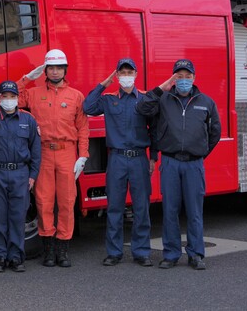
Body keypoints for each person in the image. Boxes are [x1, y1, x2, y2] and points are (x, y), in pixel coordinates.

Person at [136, 59, 221, 270]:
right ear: (173, 78)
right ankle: (171, 254)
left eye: (187, 76)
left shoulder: (206, 102)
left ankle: (196, 254)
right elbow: (142, 108)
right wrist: (159, 89)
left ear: (194, 77)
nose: (183, 80)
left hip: (194, 164)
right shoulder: (163, 99)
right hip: (171, 162)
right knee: (170, 210)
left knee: (194, 211)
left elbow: (215, 132)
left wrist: (200, 152)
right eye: (179, 76)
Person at [17, 49, 89, 267]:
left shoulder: (76, 96)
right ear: (45, 70)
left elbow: (83, 128)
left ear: (65, 69)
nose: (55, 71)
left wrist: (83, 155)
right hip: (43, 152)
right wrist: (27, 78)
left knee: (67, 202)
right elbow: (8, 98)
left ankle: (63, 250)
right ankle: (48, 250)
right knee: (43, 201)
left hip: (67, 152)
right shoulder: (33, 93)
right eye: (51, 68)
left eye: (59, 67)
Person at [83, 58, 155, 267]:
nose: (125, 76)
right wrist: (105, 82)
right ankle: (114, 252)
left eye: (129, 72)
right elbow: (88, 106)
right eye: (121, 72)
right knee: (114, 207)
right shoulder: (108, 99)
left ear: (135, 74)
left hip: (139, 158)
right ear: (117, 75)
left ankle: (141, 252)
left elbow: (156, 128)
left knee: (141, 207)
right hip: (117, 159)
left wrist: (153, 156)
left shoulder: (145, 99)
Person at [0, 80, 41, 273]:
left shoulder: (28, 120)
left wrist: (32, 175)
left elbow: (36, 150)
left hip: (20, 174)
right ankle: (0, 257)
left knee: (17, 217)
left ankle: (16, 257)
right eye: (4, 96)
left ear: (17, 98)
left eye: (12, 97)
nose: (8, 100)